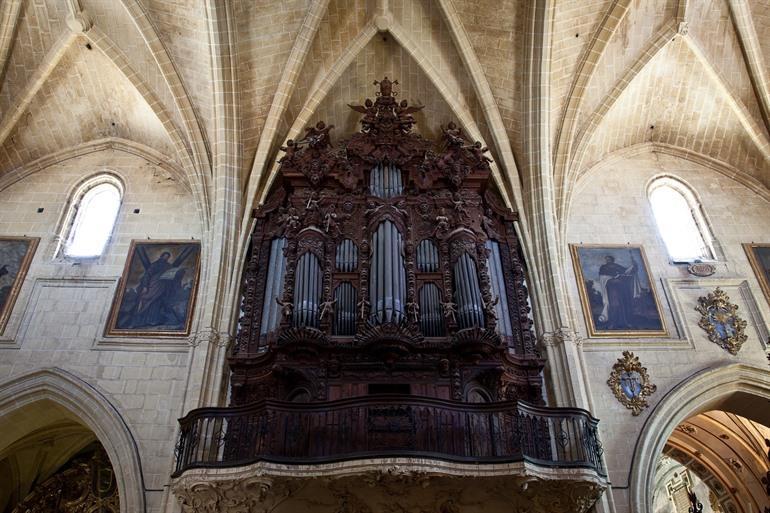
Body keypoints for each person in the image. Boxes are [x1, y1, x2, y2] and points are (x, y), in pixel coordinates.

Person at [119, 245, 196, 329]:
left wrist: (179, 272)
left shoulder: (168, 266)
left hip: (162, 287)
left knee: (157, 303)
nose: (166, 258)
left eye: (167, 257)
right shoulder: (154, 265)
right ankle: (139, 321)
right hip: (153, 285)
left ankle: (153, 321)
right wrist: (145, 286)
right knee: (146, 302)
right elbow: (147, 275)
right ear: (161, 256)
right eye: (165, 257)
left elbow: (172, 275)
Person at [597, 253, 641, 330]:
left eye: (609, 259)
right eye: (607, 259)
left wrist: (633, 266)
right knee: (614, 305)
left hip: (620, 290)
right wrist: (612, 279)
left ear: (612, 260)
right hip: (611, 290)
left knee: (623, 305)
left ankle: (626, 322)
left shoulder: (616, 266)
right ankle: (612, 323)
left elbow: (626, 271)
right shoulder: (603, 267)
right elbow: (602, 278)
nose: (608, 260)